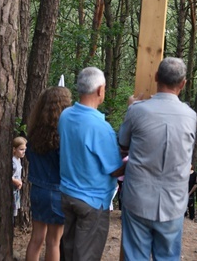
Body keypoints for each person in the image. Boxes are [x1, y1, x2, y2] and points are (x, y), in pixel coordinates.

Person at [117, 57, 197, 260]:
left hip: (138, 197)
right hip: (173, 201)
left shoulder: (137, 111)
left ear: (156, 77)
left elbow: (122, 145)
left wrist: (130, 108)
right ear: (183, 83)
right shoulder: (190, 115)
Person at [59, 66, 125, 260]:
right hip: (92, 202)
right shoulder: (100, 127)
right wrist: (135, 161)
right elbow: (114, 170)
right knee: (86, 256)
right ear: (99, 90)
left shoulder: (65, 116)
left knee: (68, 253)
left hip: (67, 195)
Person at [25, 86, 73, 261]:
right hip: (56, 192)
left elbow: (29, 157)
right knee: (53, 242)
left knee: (36, 238)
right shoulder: (62, 135)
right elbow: (66, 166)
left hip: (37, 190)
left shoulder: (34, 134)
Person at [12, 136, 27, 219]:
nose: (24, 152)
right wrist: (16, 181)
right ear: (14, 149)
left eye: (25, 149)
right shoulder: (13, 161)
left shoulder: (18, 160)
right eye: (21, 149)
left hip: (16, 191)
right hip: (12, 191)